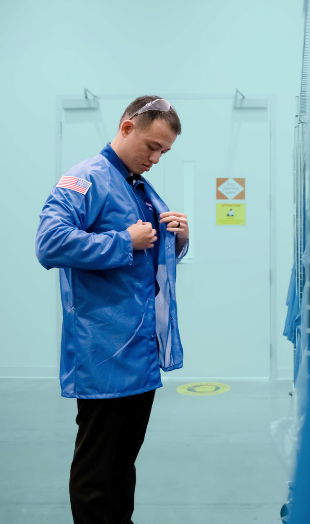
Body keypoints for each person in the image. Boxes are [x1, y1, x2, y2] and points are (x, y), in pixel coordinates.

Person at [35, 96, 189, 524]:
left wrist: (177, 237)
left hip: (139, 353)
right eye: (152, 146)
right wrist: (124, 241)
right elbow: (49, 243)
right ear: (126, 128)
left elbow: (148, 259)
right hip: (104, 351)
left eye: (165, 152)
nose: (156, 158)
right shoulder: (86, 178)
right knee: (97, 472)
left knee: (123, 465)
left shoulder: (138, 186)